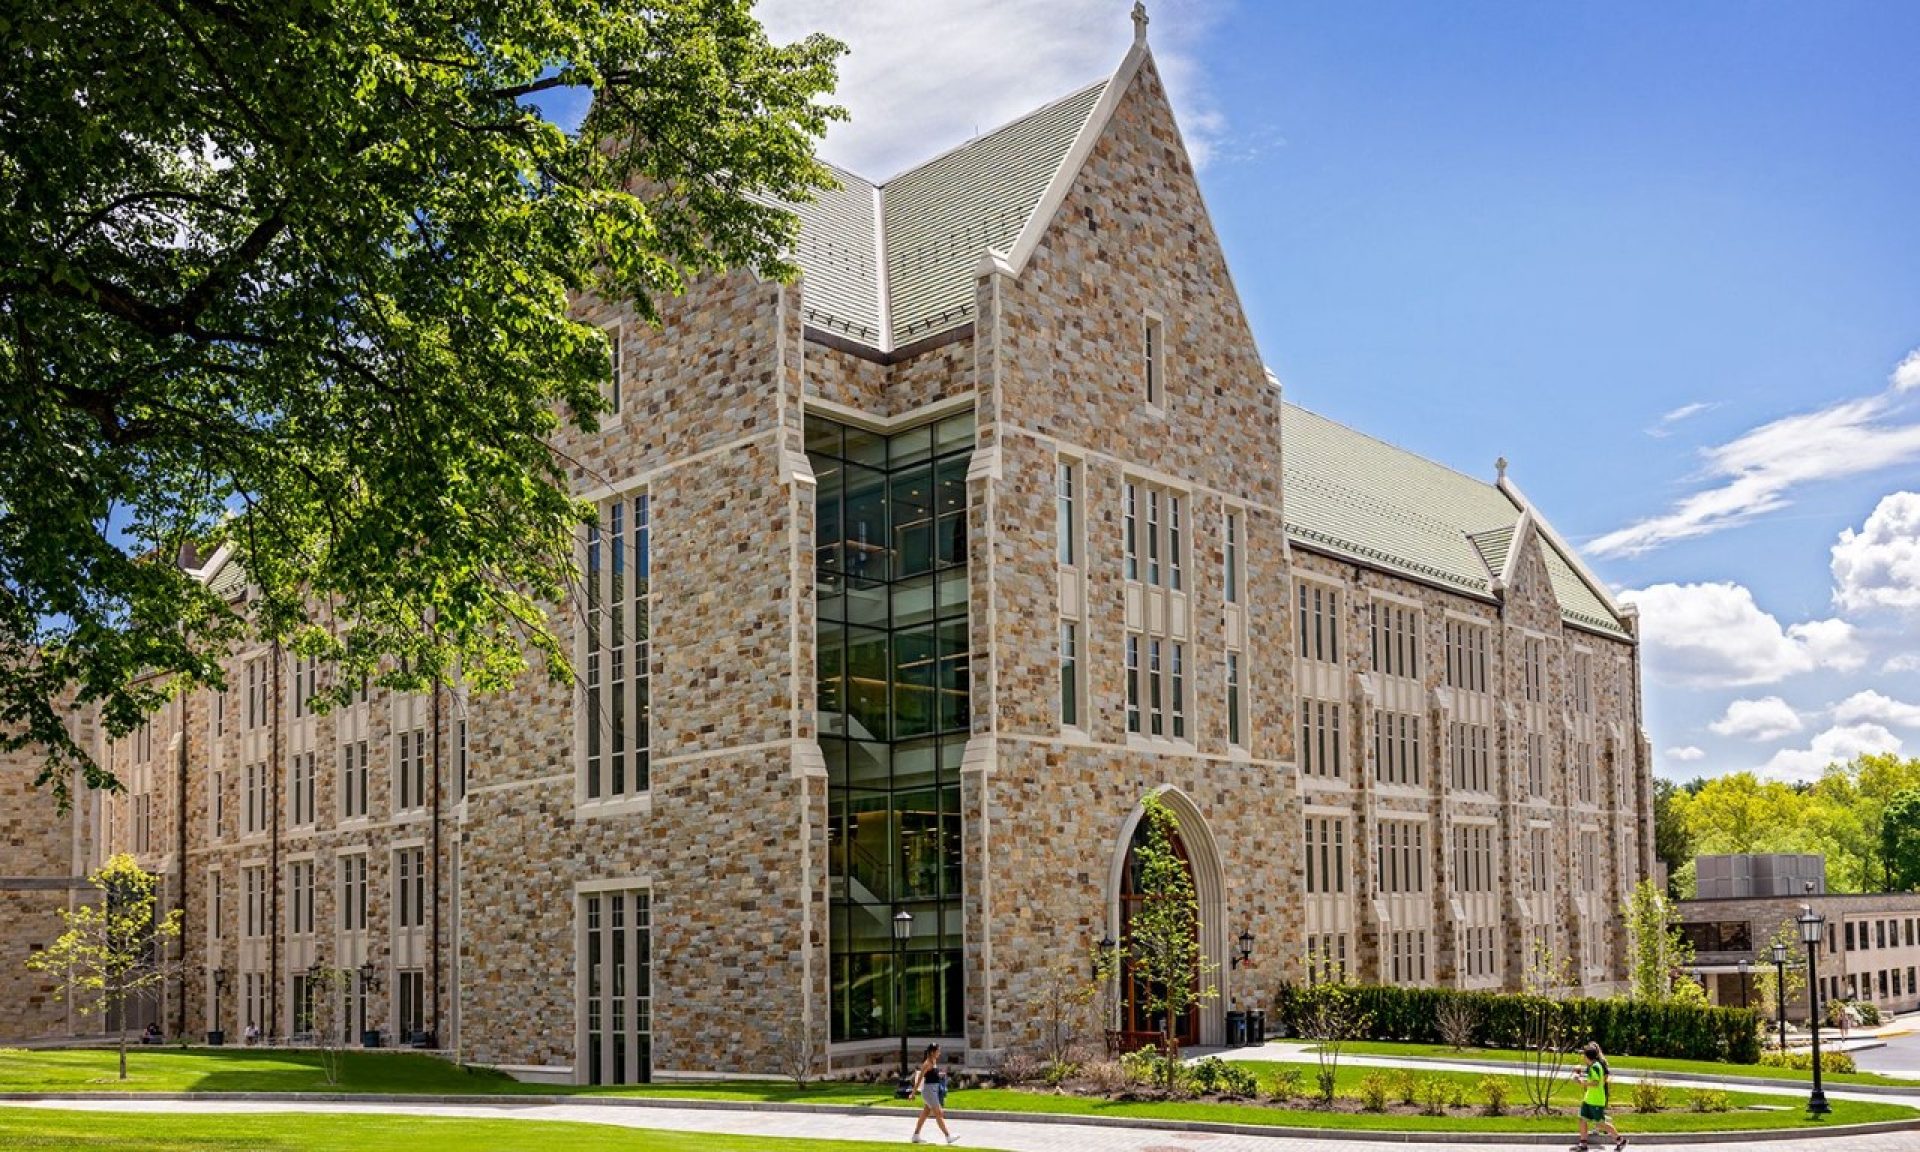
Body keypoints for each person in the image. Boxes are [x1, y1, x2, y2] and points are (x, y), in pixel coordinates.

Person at [1572, 1041, 1625, 1151]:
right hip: (1588, 1099)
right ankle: (1583, 1144)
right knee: (1582, 1119)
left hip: (1596, 1100)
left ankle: (1620, 1140)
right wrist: (1580, 1078)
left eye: (1584, 1055)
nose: (1583, 1058)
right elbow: (1592, 1080)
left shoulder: (1595, 1067)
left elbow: (1596, 1082)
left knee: (1600, 1124)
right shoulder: (1593, 1066)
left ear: (1587, 1057)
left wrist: (1582, 1082)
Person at [910, 1042, 957, 1145]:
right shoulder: (927, 1063)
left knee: (925, 1113)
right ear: (932, 1052)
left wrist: (940, 1074)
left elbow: (931, 1075)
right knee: (939, 1113)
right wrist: (913, 1093)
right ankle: (948, 1136)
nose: (939, 1053)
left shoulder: (933, 1061)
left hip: (932, 1091)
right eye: (938, 1051)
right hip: (929, 1091)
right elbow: (919, 1079)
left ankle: (915, 1135)